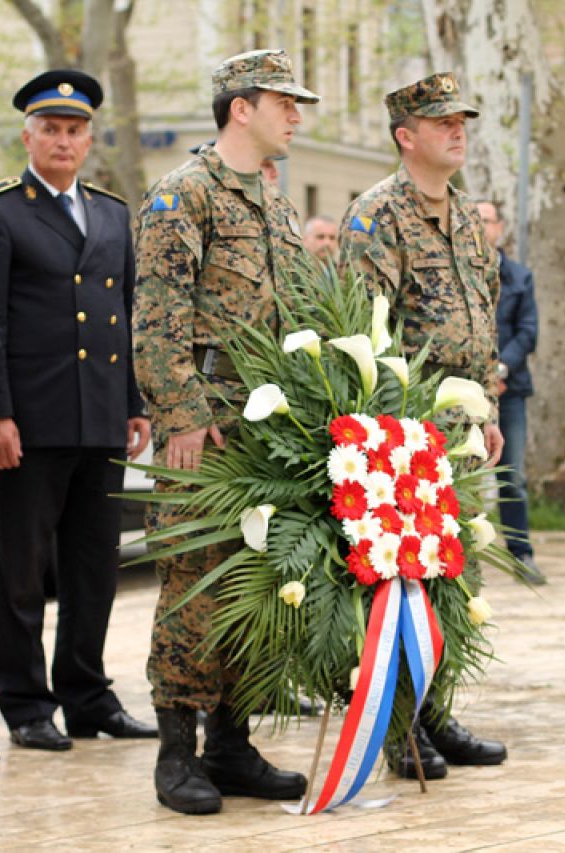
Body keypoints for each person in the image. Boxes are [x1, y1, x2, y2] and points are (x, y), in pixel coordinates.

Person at [133, 48, 316, 816]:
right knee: (194, 585)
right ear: (241, 106)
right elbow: (155, 316)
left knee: (254, 582)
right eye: (284, 101)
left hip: (266, 429)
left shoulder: (272, 202)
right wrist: (181, 413)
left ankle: (232, 744)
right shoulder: (185, 195)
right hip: (204, 427)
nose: (296, 115)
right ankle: (177, 752)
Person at [0, 70, 156, 752]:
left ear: (88, 139)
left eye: (75, 131)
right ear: (28, 135)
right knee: (22, 570)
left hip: (102, 416)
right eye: (50, 129)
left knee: (93, 566)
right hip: (32, 420)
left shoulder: (110, 211)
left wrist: (134, 401)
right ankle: (25, 703)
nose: (63, 141)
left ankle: (87, 694)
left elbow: (123, 316)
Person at [339, 72, 508, 780]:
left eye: (462, 119)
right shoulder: (375, 217)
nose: (458, 130)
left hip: (463, 429)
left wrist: (488, 410)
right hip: (406, 437)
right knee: (406, 570)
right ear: (407, 136)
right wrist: (387, 434)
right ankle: (401, 724)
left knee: (453, 574)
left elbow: (483, 316)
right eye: (443, 122)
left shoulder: (468, 217)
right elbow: (364, 331)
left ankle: (438, 709)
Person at [478, 199, 543, 581]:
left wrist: (500, 368)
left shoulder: (519, 277)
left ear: (500, 227)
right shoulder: (459, 274)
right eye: (475, 221)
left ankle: (521, 553)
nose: (482, 228)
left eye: (487, 221)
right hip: (466, 391)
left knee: (512, 476)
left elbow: (528, 331)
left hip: (509, 389)